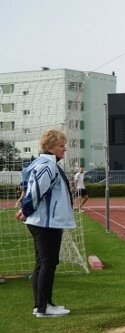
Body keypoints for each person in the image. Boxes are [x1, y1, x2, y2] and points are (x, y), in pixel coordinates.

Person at [15, 129, 76, 318]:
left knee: (42, 263)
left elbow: (30, 188)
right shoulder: (47, 166)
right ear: (49, 147)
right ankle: (43, 308)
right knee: (47, 263)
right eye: (61, 146)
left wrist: (26, 210)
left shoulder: (43, 164)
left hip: (44, 222)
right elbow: (35, 193)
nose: (64, 149)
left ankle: (43, 304)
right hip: (45, 223)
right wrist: (25, 210)